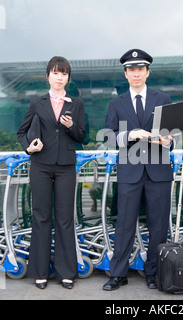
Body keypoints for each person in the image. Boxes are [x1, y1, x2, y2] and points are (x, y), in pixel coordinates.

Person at [102, 49, 174, 291]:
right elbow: (108, 138)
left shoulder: (163, 99)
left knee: (158, 225)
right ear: (125, 74)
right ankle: (118, 273)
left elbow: (171, 135)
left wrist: (168, 141)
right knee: (124, 224)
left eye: (140, 69)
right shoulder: (116, 103)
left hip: (158, 170)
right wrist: (130, 134)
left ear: (147, 72)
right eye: (131, 70)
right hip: (129, 171)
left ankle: (154, 272)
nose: (136, 73)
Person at [17, 56, 86, 289]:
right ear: (48, 76)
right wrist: (29, 147)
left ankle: (66, 272)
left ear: (68, 78)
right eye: (56, 73)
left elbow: (82, 136)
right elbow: (22, 131)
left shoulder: (76, 103)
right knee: (41, 216)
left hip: (66, 165)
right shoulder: (37, 102)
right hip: (41, 165)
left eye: (64, 74)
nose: (60, 77)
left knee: (65, 219)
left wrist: (70, 126)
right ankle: (40, 272)